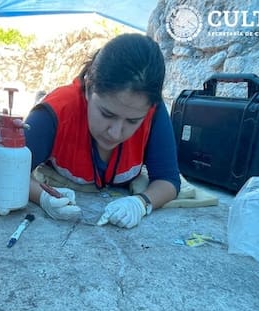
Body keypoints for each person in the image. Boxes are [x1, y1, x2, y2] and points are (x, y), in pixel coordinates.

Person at [24, 33, 181, 229]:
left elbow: (168, 180)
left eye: (132, 121)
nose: (115, 133)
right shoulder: (54, 113)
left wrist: (141, 203)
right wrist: (43, 197)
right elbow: (10, 172)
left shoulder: (154, 112)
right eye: (107, 114)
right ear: (89, 88)